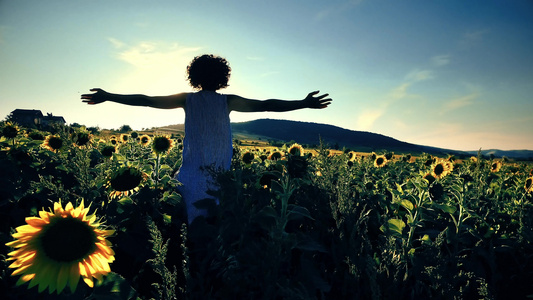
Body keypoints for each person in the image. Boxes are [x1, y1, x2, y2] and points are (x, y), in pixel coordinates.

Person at [82, 54, 332, 223]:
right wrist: (303, 103)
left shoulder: (187, 99)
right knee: (215, 228)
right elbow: (267, 105)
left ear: (195, 76)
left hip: (190, 175)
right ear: (223, 77)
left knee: (192, 229)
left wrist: (110, 95)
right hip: (221, 176)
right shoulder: (227, 101)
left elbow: (146, 100)